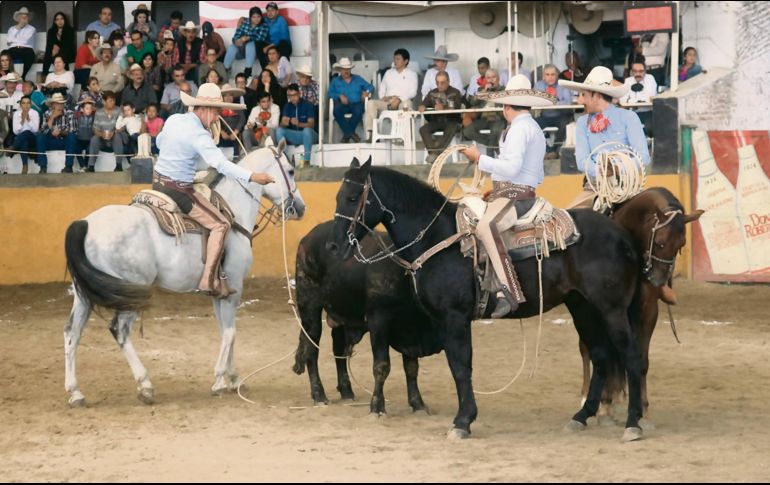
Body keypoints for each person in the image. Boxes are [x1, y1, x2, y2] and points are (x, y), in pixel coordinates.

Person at [153, 83, 275, 296]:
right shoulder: (200, 135)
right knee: (221, 224)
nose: (218, 116)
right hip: (178, 190)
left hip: (157, 183)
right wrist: (253, 176)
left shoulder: (174, 119)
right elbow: (221, 165)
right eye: (217, 111)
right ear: (205, 109)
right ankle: (207, 280)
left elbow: (159, 143)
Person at [460, 75, 556, 317]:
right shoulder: (530, 127)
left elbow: (512, 168)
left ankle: (509, 289)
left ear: (506, 106)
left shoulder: (520, 129)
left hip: (516, 197)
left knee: (485, 227)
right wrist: (498, 187)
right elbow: (531, 173)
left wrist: (479, 159)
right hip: (516, 192)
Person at [364, 48, 417, 140]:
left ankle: (405, 135)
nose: (395, 61)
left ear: (406, 61)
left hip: (402, 102)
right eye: (394, 59)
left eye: (398, 59)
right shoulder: (389, 73)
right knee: (371, 103)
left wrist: (399, 99)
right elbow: (382, 89)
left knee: (407, 104)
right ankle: (372, 133)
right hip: (388, 102)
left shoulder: (412, 74)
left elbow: (413, 92)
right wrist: (384, 97)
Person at [418, 71, 464, 163]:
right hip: (436, 121)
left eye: (442, 83)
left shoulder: (455, 92)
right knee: (423, 129)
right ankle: (434, 154)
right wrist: (422, 106)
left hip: (451, 121)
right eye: (437, 83)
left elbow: (457, 107)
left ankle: (435, 154)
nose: (439, 85)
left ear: (448, 82)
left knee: (452, 127)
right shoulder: (432, 93)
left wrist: (444, 107)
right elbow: (423, 104)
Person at [533, 64, 574, 158]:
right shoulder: (538, 85)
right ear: (543, 76)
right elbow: (535, 101)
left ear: (557, 75)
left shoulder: (562, 85)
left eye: (552, 74)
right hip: (545, 116)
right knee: (533, 125)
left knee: (565, 125)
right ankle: (546, 150)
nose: (550, 77)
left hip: (560, 116)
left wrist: (553, 101)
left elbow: (568, 102)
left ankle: (554, 150)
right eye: (547, 74)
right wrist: (549, 101)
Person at [328, 57, 373, 143]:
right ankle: (351, 134)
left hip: (356, 104)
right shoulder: (335, 81)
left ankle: (347, 135)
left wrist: (366, 92)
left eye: (348, 69)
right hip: (342, 105)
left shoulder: (358, 78)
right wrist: (339, 95)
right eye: (344, 69)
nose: (346, 71)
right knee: (336, 111)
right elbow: (330, 93)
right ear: (340, 70)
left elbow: (370, 87)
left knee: (359, 111)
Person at [462, 69, 505, 155]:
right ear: (485, 79)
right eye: (488, 78)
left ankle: (490, 155)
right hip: (484, 119)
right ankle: (492, 144)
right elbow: (472, 102)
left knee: (495, 130)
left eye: (493, 77)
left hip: (498, 118)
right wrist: (484, 92)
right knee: (467, 131)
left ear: (498, 78)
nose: (491, 80)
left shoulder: (503, 90)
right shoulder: (481, 90)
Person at [276, 83, 317, 166]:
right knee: (279, 131)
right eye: (290, 96)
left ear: (299, 94)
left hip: (310, 135)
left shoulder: (308, 105)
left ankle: (306, 161)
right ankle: (285, 159)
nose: (292, 98)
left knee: (307, 131)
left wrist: (299, 123)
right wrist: (283, 123)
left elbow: (311, 125)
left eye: (294, 95)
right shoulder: (287, 106)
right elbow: (282, 125)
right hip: (296, 135)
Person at [35, 93, 78, 174]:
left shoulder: (70, 113)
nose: (60, 105)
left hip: (64, 142)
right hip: (51, 141)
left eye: (62, 103)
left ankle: (68, 167)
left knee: (72, 136)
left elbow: (73, 130)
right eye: (57, 103)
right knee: (40, 136)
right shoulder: (47, 113)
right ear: (53, 105)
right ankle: (43, 167)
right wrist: (52, 118)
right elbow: (42, 131)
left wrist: (60, 132)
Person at [224, 7, 270, 78]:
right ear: (250, 17)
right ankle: (225, 70)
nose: (256, 19)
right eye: (253, 17)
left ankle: (248, 70)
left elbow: (261, 38)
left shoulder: (264, 25)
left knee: (250, 44)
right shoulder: (245, 23)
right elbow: (236, 36)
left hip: (254, 53)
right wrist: (237, 41)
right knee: (232, 47)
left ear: (261, 17)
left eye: (258, 16)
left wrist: (247, 38)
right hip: (242, 51)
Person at [619, 59, 657, 135]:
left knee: (649, 128)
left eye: (641, 71)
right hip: (632, 113)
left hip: (647, 113)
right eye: (635, 71)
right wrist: (635, 102)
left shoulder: (650, 79)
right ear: (631, 72)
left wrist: (630, 101)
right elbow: (622, 100)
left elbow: (649, 98)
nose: (638, 74)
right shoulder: (628, 81)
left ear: (645, 71)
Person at [87, 90, 120, 171]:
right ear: (104, 102)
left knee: (117, 137)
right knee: (94, 139)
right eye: (110, 101)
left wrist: (113, 133)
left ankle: (119, 165)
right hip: (102, 139)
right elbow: (95, 129)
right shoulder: (99, 112)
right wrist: (102, 134)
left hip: (114, 138)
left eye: (114, 100)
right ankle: (91, 166)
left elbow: (122, 126)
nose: (113, 102)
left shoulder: (119, 110)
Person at [5, 7, 37, 81]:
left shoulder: (32, 29)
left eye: (25, 17)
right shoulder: (11, 28)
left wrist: (14, 40)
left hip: (26, 50)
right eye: (22, 17)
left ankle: (23, 76)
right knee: (4, 54)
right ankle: (10, 75)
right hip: (13, 49)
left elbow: (25, 40)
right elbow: (8, 41)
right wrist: (19, 27)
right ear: (18, 18)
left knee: (31, 54)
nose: (23, 19)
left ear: (28, 18)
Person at [66, 97, 96, 172]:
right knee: (76, 149)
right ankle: (83, 165)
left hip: (89, 140)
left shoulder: (94, 117)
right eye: (87, 108)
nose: (89, 110)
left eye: (90, 108)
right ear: (82, 109)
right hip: (79, 139)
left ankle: (86, 165)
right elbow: (72, 111)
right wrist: (82, 102)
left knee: (89, 150)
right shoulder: (77, 116)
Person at [11, 95, 40, 174]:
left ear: (31, 104)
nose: (26, 105)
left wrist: (29, 120)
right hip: (22, 140)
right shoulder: (17, 114)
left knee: (27, 132)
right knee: (24, 141)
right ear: (20, 105)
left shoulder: (35, 113)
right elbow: (15, 131)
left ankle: (14, 147)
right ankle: (25, 166)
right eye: (23, 103)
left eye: (28, 103)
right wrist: (22, 121)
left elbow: (36, 130)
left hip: (33, 139)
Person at [42, 12, 76, 77]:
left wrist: (57, 48)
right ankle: (44, 74)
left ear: (65, 20)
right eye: (57, 19)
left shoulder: (70, 30)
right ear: (55, 21)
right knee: (48, 52)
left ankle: (65, 76)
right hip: (54, 53)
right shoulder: (51, 31)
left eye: (62, 19)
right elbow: (49, 44)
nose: (60, 21)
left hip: (68, 53)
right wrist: (53, 51)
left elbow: (68, 44)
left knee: (63, 52)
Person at [114, 101, 143, 171]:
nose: (127, 112)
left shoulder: (138, 116)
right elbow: (117, 127)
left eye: (128, 110)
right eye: (125, 111)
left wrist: (143, 116)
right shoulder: (126, 119)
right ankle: (133, 164)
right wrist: (121, 116)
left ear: (133, 110)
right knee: (131, 147)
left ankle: (136, 164)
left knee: (137, 144)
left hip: (141, 135)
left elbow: (145, 121)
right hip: (133, 136)